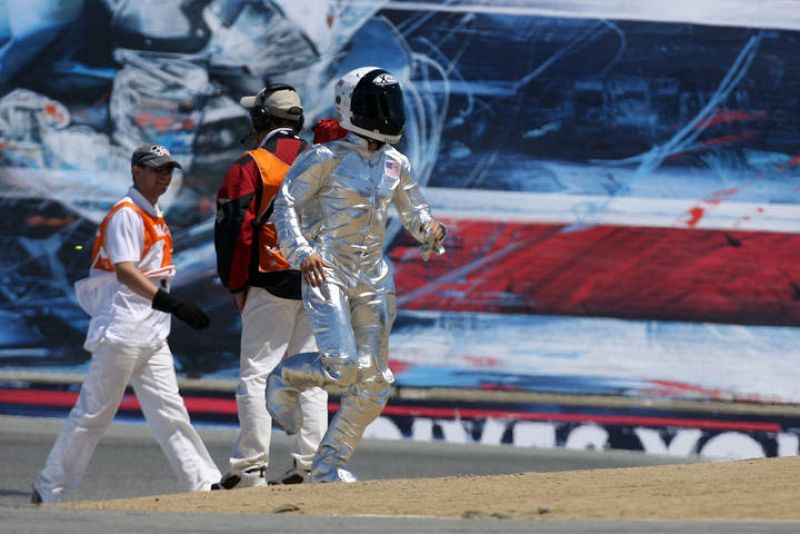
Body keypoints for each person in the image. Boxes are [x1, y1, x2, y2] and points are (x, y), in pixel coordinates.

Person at [266, 66, 446, 483]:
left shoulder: (395, 163)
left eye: (392, 105)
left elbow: (414, 211)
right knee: (343, 366)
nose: (388, 114)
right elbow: (286, 203)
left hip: (373, 278)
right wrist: (302, 253)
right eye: (380, 105)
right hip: (327, 270)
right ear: (354, 108)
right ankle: (285, 377)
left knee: (377, 379)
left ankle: (328, 466)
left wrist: (431, 231)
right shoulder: (326, 158)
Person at [32, 144, 221, 503]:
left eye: (169, 170)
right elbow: (125, 270)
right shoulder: (127, 213)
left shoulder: (152, 212)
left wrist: (166, 309)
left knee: (170, 411)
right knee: (93, 415)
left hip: (150, 329)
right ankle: (49, 489)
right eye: (157, 169)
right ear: (136, 171)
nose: (164, 176)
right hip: (123, 328)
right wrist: (173, 303)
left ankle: (205, 484)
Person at [212, 84, 328, 488]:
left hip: (269, 280)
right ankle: (311, 466)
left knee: (257, 375)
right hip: (319, 283)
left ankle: (250, 468)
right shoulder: (324, 161)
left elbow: (235, 234)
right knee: (309, 377)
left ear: (261, 119)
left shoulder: (251, 164)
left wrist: (236, 284)